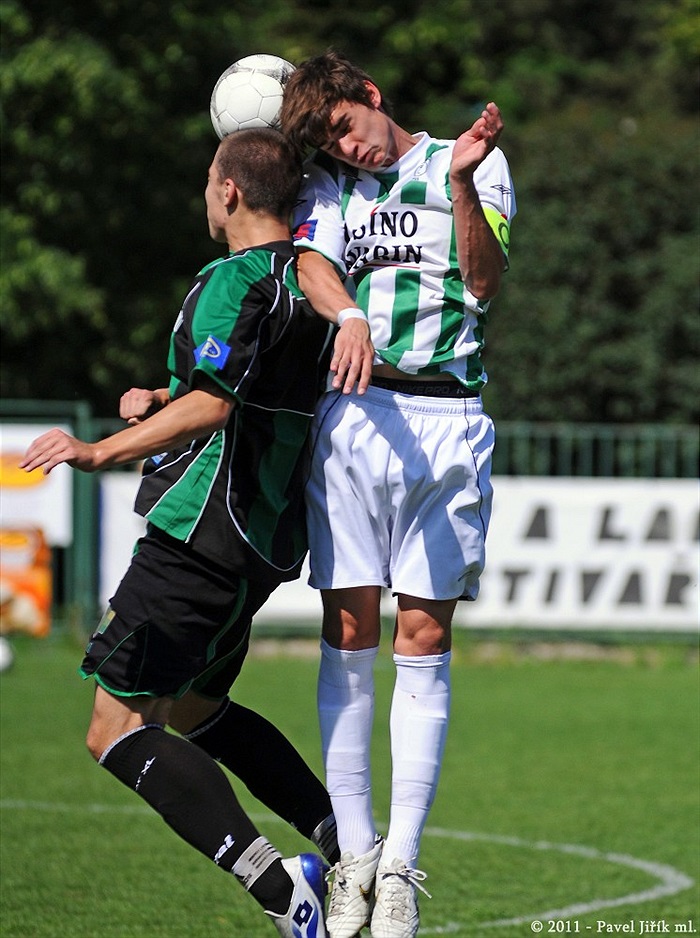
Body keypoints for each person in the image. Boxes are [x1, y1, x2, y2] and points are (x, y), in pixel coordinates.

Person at [20, 127, 348, 938]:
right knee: (199, 706)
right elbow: (221, 385)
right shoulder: (307, 281)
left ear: (229, 191)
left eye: (210, 180)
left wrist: (99, 447)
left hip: (197, 535)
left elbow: (216, 403)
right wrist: (156, 402)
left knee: (116, 729)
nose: (206, 193)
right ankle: (346, 845)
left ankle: (285, 895)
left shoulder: (235, 278)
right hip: (260, 539)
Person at [280, 51, 516, 938]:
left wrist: (457, 186)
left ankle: (401, 872)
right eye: (331, 141)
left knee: (424, 637)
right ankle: (355, 857)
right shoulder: (334, 187)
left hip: (450, 420)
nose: (351, 148)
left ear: (370, 96)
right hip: (357, 414)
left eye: (347, 125)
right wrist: (345, 314)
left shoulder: (475, 159)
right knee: (348, 629)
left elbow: (486, 283)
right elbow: (310, 265)